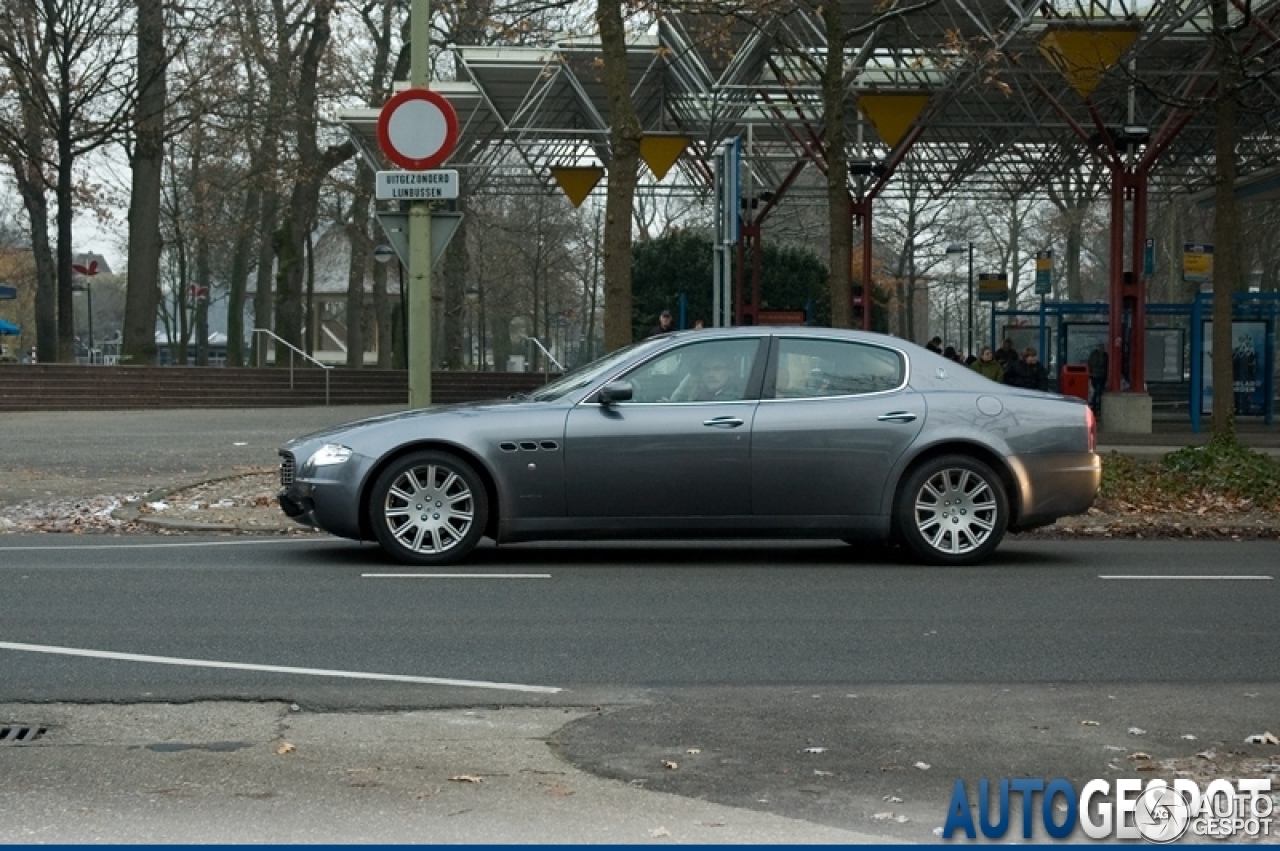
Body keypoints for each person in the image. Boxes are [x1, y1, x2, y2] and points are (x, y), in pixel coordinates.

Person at [671, 354, 740, 401]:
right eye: (706, 369)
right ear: (700, 374)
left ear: (730, 371)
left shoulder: (735, 397)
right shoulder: (699, 392)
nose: (711, 374)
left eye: (717, 368)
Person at [1087, 343, 1108, 413]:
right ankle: (1095, 408)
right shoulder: (1094, 355)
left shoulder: (1105, 355)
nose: (1102, 349)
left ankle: (1100, 408)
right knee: (1095, 392)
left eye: (1103, 347)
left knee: (1101, 392)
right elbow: (1092, 364)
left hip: (1102, 376)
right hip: (1095, 375)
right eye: (1101, 347)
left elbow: (1107, 365)